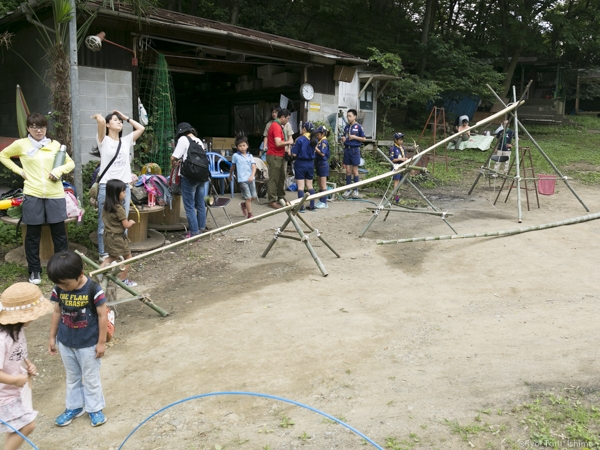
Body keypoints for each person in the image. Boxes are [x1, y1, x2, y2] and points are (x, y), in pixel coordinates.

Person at [0, 112, 75, 285]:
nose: (38, 130)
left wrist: (58, 171)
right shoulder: (21, 144)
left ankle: (62, 269)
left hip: (55, 194)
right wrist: (19, 171)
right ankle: (34, 270)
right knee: (33, 234)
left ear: (46, 128)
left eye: (41, 127)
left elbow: (70, 163)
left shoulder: (55, 144)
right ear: (28, 128)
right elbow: (3, 155)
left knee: (59, 234)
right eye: (33, 127)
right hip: (32, 193)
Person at [47, 250, 108, 428]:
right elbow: (57, 312)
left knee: (90, 377)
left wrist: (101, 342)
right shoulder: (59, 289)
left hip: (88, 344)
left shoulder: (93, 289)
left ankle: (95, 408)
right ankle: (74, 407)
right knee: (72, 377)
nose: (63, 287)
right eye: (59, 284)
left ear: (80, 274)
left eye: (66, 284)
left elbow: (102, 316)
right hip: (66, 342)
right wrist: (52, 337)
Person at [0, 282, 52, 449]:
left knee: (16, 427)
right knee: (28, 425)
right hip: (4, 394)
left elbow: (19, 352)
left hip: (14, 390)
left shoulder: (18, 329)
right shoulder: (2, 340)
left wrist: (28, 363)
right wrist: (13, 380)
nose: (35, 317)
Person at [91, 111, 144, 262]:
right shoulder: (104, 140)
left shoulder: (126, 140)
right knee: (104, 223)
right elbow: (101, 124)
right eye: (115, 120)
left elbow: (141, 129)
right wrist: (98, 117)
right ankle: (103, 253)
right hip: (106, 187)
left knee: (122, 222)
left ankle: (119, 250)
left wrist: (126, 118)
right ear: (108, 124)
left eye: (120, 121)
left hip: (123, 188)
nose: (119, 122)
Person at [170, 122, 208, 237]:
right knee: (200, 204)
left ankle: (194, 233)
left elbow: (174, 156)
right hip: (201, 176)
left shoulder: (183, 139)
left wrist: (173, 163)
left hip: (188, 177)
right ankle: (201, 228)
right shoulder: (199, 140)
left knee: (189, 206)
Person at [98, 179, 137, 287]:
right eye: (123, 192)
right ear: (116, 194)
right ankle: (123, 280)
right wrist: (131, 222)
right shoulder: (119, 208)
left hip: (108, 236)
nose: (125, 194)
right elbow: (125, 225)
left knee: (113, 256)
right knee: (128, 257)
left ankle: (100, 272)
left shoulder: (106, 205)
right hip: (117, 237)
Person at [266, 109, 294, 209]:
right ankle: (272, 200)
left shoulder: (279, 126)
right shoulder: (276, 126)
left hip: (280, 155)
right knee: (274, 178)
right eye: (287, 118)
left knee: (281, 177)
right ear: (282, 117)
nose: (287, 120)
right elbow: (278, 143)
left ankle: (281, 197)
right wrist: (289, 142)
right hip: (274, 155)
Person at [291, 122, 318, 212]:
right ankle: (312, 205)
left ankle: (301, 207)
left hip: (301, 164)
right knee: (310, 185)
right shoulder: (314, 139)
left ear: (304, 129)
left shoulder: (300, 139)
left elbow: (294, 153)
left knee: (300, 187)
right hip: (310, 164)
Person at [228, 136, 257, 221]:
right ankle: (250, 215)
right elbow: (233, 166)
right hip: (242, 180)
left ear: (247, 146)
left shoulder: (250, 156)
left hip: (251, 179)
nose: (242, 147)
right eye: (240, 146)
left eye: (244, 145)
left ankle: (244, 205)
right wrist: (230, 175)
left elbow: (254, 167)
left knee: (254, 196)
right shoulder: (235, 156)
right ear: (237, 147)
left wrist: (252, 176)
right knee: (248, 197)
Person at [341, 109, 366, 199]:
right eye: (347, 116)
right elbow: (344, 137)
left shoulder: (358, 127)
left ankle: (355, 190)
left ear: (355, 117)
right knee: (348, 171)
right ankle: (348, 189)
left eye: (350, 116)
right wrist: (343, 139)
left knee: (355, 171)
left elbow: (364, 139)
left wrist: (355, 137)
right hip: (347, 150)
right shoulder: (346, 127)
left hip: (355, 150)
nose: (348, 118)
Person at [389, 132, 409, 204]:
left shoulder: (402, 148)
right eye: (400, 139)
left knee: (400, 181)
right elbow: (392, 159)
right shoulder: (393, 148)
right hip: (396, 167)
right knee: (396, 181)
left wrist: (405, 159)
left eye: (402, 139)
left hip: (402, 167)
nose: (401, 141)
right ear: (395, 140)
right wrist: (401, 159)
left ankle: (397, 195)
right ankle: (395, 197)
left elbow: (403, 156)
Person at [314, 126, 330, 209]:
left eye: (318, 134)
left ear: (323, 134)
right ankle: (321, 200)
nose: (317, 135)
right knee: (320, 183)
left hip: (323, 163)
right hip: (318, 163)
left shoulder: (324, 141)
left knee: (323, 184)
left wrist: (315, 148)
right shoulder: (320, 141)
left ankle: (324, 202)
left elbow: (322, 153)